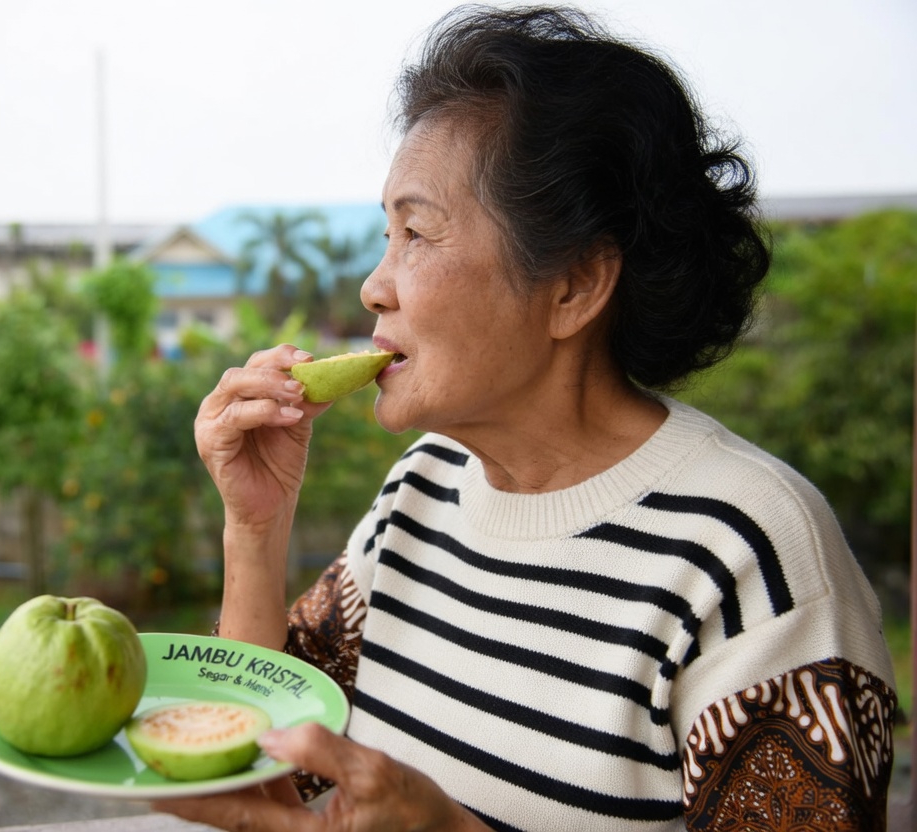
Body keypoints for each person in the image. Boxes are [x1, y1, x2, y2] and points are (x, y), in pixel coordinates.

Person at [159, 5, 898, 830]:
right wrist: (254, 530)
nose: (373, 286)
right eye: (386, 235)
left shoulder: (751, 553)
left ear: (575, 285)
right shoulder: (423, 488)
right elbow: (270, 763)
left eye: (416, 233)